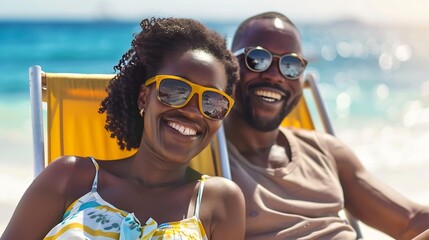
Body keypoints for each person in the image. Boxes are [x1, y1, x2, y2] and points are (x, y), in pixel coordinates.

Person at [1, 17, 245, 240]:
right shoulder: (70, 178)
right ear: (143, 99)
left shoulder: (219, 201)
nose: (193, 110)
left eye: (212, 102)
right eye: (175, 90)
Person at [224, 11, 429, 240]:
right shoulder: (206, 158)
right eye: (257, 59)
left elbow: (410, 221)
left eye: (291, 65)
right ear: (228, 66)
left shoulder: (327, 152)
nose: (275, 76)